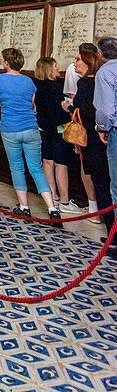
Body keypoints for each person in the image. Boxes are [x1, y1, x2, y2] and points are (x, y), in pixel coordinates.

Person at [0, 48, 61, 223]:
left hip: (10, 128)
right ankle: (52, 208)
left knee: (17, 168)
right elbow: (32, 104)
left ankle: (24, 207)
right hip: (31, 127)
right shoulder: (29, 82)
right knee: (36, 168)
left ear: (6, 63)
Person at [67, 46, 117, 257]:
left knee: (103, 184)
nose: (75, 63)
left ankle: (113, 235)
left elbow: (95, 111)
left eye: (79, 59)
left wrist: (70, 108)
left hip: (97, 139)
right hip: (98, 138)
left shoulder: (90, 82)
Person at [34, 57, 77, 212]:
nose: (58, 69)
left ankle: (53, 197)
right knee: (61, 164)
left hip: (42, 129)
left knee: (47, 162)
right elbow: (58, 112)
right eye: (56, 66)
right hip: (58, 130)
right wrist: (68, 110)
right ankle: (65, 201)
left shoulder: (36, 86)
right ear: (49, 69)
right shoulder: (55, 88)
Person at [95, 35, 117, 214]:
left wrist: (102, 127)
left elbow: (106, 110)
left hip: (115, 131)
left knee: (116, 188)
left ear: (100, 54)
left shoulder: (105, 72)